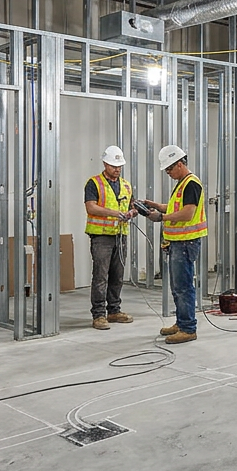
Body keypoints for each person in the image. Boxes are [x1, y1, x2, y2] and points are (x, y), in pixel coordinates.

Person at [138, 144, 206, 344]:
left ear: (180, 164)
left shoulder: (191, 184)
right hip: (178, 243)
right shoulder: (182, 184)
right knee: (177, 286)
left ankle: (188, 328)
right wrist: (156, 206)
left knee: (184, 286)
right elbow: (178, 207)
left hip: (186, 243)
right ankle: (181, 321)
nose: (167, 173)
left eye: (169, 168)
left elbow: (187, 213)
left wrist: (162, 217)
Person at [84, 146, 137, 330]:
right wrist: (115, 213)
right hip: (101, 237)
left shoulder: (126, 185)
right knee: (100, 276)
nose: (117, 169)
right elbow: (91, 207)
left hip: (120, 235)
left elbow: (132, 205)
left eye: (120, 166)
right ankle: (99, 315)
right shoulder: (94, 183)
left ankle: (114, 310)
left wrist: (132, 212)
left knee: (117, 275)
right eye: (114, 165)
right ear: (105, 163)